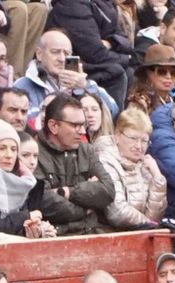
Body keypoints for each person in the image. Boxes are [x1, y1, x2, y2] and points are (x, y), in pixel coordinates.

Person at [35, 93, 117, 235]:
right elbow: (43, 201)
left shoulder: (87, 151)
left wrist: (67, 192)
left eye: (83, 125)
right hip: (54, 238)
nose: (83, 131)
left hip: (92, 234)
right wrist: (85, 209)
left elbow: (108, 191)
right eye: (76, 126)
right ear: (53, 126)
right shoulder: (33, 153)